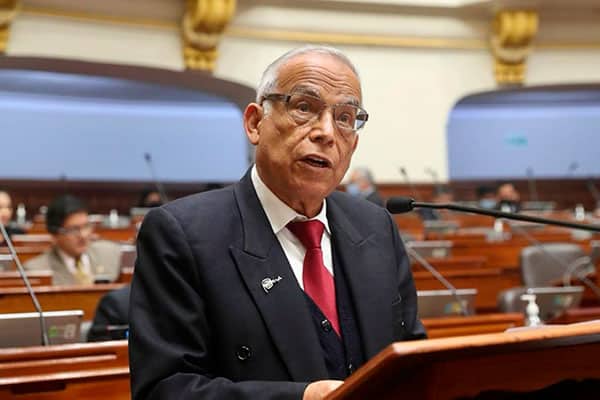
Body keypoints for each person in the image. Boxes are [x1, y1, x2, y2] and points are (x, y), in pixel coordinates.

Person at [129, 45, 426, 400]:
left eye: (345, 117)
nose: (327, 132)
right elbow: (165, 389)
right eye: (304, 107)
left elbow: (411, 358)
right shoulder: (182, 234)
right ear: (255, 123)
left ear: (354, 143)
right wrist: (300, 399)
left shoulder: (376, 226)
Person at [24, 195, 121, 285]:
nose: (83, 235)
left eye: (86, 226)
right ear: (54, 235)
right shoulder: (35, 270)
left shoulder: (110, 253)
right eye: (73, 229)